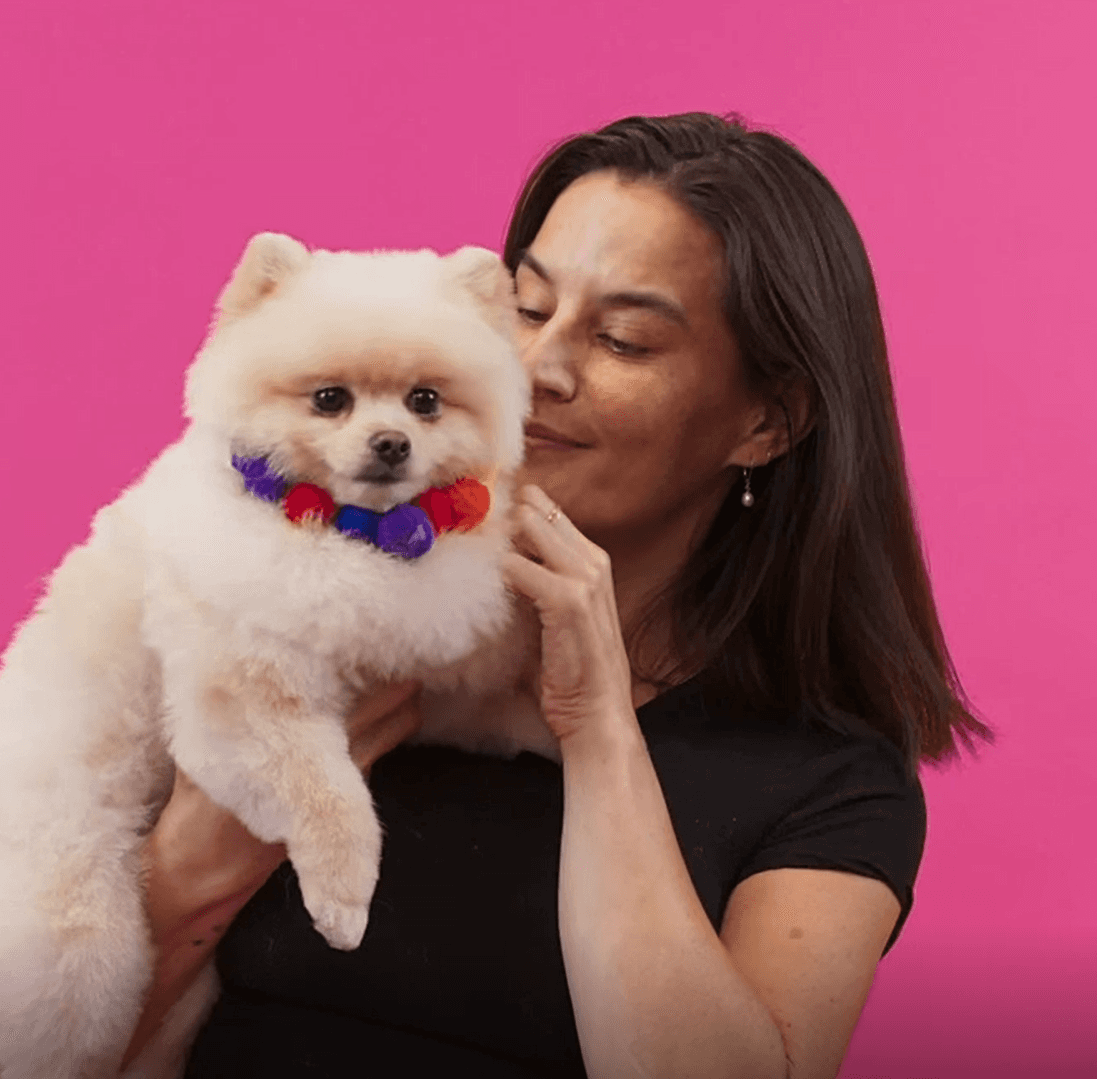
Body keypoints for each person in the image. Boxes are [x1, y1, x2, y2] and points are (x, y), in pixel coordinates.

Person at [122, 112, 993, 1079]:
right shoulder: (318, 627)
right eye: (525, 309)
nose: (536, 370)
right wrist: (194, 871)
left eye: (622, 340)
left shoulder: (827, 779)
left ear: (766, 423)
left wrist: (595, 723)